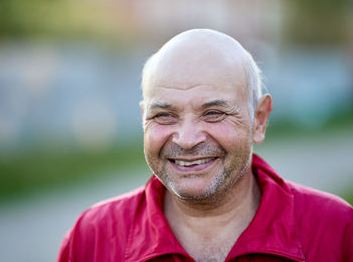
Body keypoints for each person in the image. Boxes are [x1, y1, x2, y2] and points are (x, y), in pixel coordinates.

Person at [57, 29, 353, 262]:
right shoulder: (92, 237)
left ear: (259, 120)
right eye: (164, 115)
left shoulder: (337, 231)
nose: (186, 139)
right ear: (142, 119)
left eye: (213, 113)